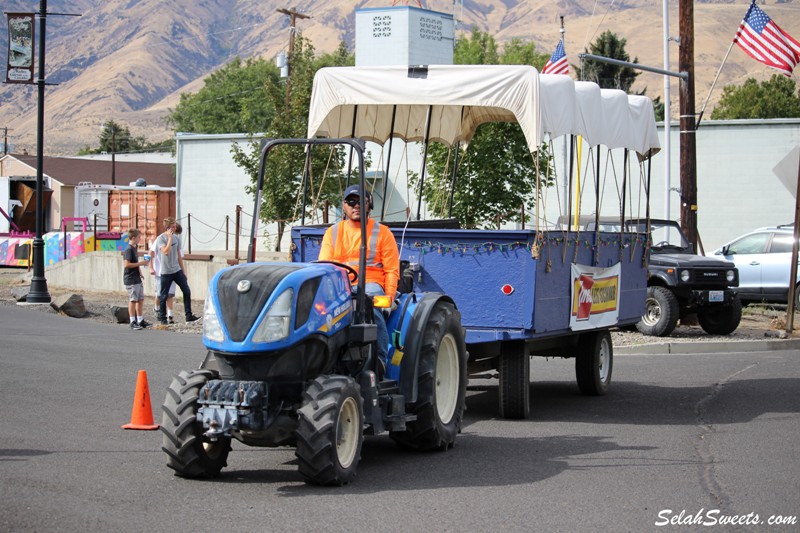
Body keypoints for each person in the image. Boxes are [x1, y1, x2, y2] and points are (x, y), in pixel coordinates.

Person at [319, 185, 399, 366]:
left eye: (361, 202)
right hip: (340, 284)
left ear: (369, 205)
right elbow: (324, 266)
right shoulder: (332, 232)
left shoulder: (383, 233)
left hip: (371, 283)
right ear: (344, 206)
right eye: (351, 201)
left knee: (369, 304)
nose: (356, 206)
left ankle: (379, 360)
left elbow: (392, 270)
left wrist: (389, 297)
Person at [155, 217, 200, 325]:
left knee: (186, 290)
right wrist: (169, 239)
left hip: (177, 270)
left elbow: (179, 255)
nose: (175, 228)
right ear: (168, 227)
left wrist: (183, 271)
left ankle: (188, 316)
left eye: (175, 226)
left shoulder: (177, 238)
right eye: (173, 227)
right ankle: (163, 318)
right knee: (164, 295)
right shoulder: (161, 239)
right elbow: (165, 251)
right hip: (166, 271)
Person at [122, 228, 152, 330]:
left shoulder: (134, 248)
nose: (140, 239)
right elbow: (127, 265)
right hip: (130, 279)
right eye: (139, 237)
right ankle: (132, 321)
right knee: (133, 299)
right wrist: (141, 263)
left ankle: (140, 320)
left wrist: (140, 272)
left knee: (140, 299)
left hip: (136, 278)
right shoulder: (129, 249)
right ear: (133, 238)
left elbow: (135, 262)